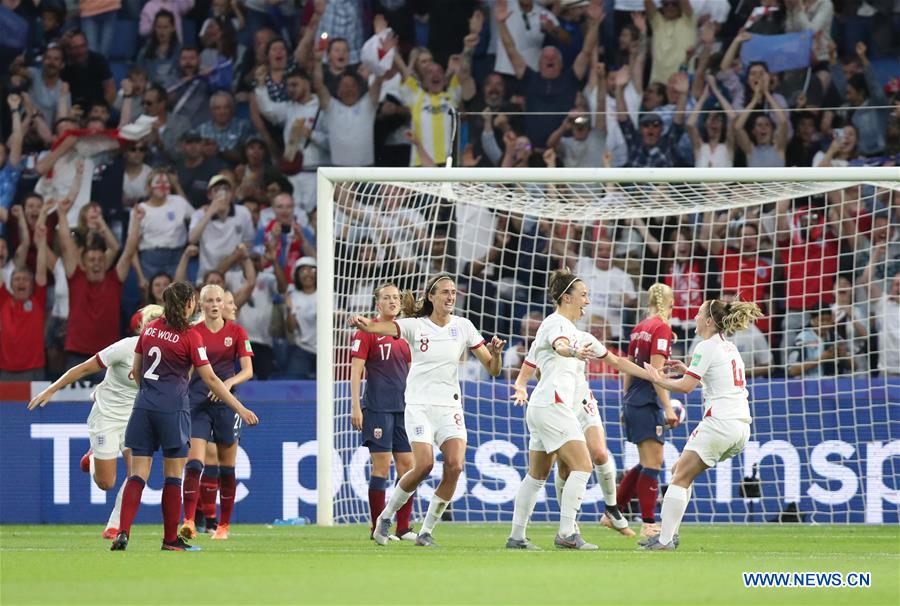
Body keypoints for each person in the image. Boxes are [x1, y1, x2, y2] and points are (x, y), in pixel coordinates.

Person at [348, 275, 505, 547]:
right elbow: (382, 328)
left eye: (454, 292)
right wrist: (365, 324)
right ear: (431, 297)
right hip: (419, 406)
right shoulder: (414, 326)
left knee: (455, 466)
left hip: (450, 407)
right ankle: (386, 517)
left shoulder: (464, 327)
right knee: (424, 465)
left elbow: (493, 369)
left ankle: (426, 531)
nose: (450, 296)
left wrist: (497, 353)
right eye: (444, 292)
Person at [507, 269, 653, 550]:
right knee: (584, 465)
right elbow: (561, 346)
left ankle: (516, 537)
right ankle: (567, 534)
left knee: (536, 476)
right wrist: (572, 352)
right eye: (583, 295)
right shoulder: (556, 325)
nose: (587, 301)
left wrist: (654, 376)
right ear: (566, 298)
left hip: (542, 405)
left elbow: (617, 362)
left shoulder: (574, 332)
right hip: (553, 405)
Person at [110, 281, 258, 552]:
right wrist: (240, 407)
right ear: (191, 304)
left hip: (143, 408)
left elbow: (137, 370)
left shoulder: (150, 329)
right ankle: (170, 540)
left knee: (137, 475)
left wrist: (150, 396)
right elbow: (211, 379)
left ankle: (123, 531)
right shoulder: (191, 336)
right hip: (174, 410)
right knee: (173, 476)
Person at [28, 305, 165, 539]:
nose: (153, 329)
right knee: (106, 482)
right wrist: (51, 390)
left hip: (136, 419)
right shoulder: (124, 348)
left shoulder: (167, 355)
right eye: (149, 324)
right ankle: (93, 457)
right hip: (107, 416)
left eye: (159, 324)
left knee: (138, 475)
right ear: (141, 327)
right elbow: (84, 368)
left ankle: (115, 524)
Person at [640, 299, 764, 550]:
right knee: (679, 471)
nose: (694, 317)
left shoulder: (705, 346)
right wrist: (689, 370)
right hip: (740, 426)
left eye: (698, 314)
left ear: (708, 321)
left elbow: (685, 387)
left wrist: (658, 379)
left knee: (679, 477)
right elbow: (709, 380)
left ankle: (664, 541)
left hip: (720, 421)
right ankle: (668, 535)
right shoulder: (728, 348)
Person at [180, 284, 254, 541]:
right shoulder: (192, 332)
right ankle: (188, 520)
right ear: (201, 304)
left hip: (226, 404)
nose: (214, 304)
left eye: (218, 300)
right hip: (197, 403)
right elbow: (186, 369)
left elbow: (248, 370)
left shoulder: (236, 332)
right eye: (209, 300)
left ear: (224, 303)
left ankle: (223, 526)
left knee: (227, 468)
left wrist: (229, 383)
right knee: (194, 463)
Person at [349, 283, 416, 541]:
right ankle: (377, 527)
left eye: (396, 297)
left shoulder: (406, 333)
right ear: (378, 304)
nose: (393, 301)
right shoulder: (367, 332)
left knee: (409, 467)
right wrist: (355, 405)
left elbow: (412, 370)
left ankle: (403, 527)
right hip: (377, 408)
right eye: (387, 298)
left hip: (403, 408)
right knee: (382, 467)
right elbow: (355, 371)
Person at [616, 283, 679, 539]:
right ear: (671, 303)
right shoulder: (661, 328)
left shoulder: (639, 328)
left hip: (634, 401)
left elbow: (629, 367)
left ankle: (614, 511)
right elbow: (655, 374)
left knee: (646, 462)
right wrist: (668, 407)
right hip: (647, 402)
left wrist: (625, 401)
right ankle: (648, 522)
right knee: (653, 463)